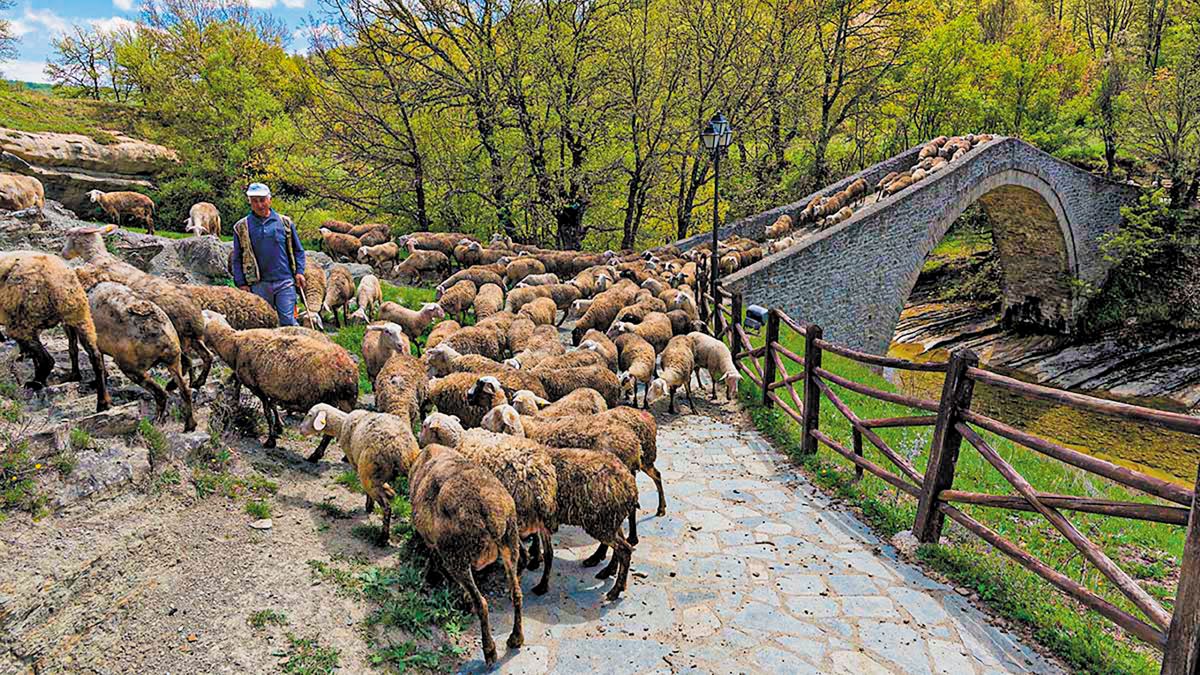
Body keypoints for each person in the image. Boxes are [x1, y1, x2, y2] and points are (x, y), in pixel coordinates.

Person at [230, 183, 306, 327]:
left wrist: (300, 272)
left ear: (269, 200)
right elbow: (237, 258)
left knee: (288, 321)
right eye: (255, 201)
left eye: (262, 200)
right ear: (250, 202)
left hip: (285, 281)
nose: (259, 205)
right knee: (262, 323)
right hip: (258, 284)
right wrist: (241, 283)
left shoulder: (285, 223)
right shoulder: (241, 227)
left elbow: (298, 250)